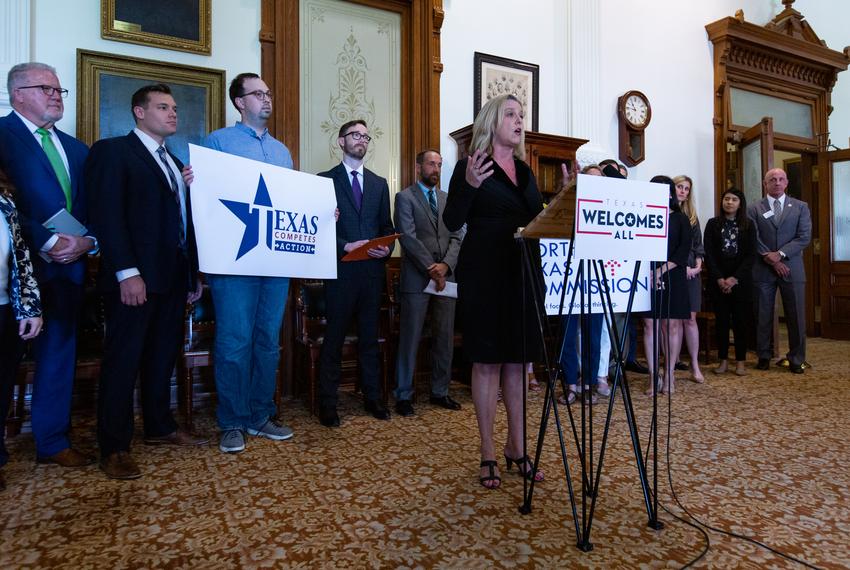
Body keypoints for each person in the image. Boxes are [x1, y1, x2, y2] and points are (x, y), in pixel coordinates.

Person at [85, 83, 206, 480]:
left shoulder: (174, 161)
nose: (173, 113)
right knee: (124, 360)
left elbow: (183, 225)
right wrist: (126, 271)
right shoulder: (113, 151)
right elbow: (107, 214)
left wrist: (193, 274)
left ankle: (160, 426)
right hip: (134, 278)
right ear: (139, 112)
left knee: (161, 356)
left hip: (173, 278)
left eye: (174, 107)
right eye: (162, 107)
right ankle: (115, 447)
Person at [443, 94, 547, 489]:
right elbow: (453, 220)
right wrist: (468, 187)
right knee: (487, 362)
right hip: (485, 272)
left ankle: (516, 447)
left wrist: (566, 200)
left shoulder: (525, 170)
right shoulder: (471, 165)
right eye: (511, 114)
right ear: (492, 121)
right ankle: (488, 450)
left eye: (522, 115)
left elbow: (535, 218)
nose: (519, 120)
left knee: (520, 363)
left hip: (522, 272)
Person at [0, 62, 95, 468]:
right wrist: (47, 238)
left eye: (59, 90)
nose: (56, 95)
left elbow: (95, 207)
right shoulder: (1, 135)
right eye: (46, 88)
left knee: (59, 355)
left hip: (67, 271)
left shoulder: (77, 149)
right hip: (13, 272)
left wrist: (87, 241)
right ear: (17, 93)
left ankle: (52, 443)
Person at [197, 73, 296, 453]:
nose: (267, 99)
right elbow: (207, 198)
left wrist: (320, 214)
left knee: (267, 342)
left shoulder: (282, 152)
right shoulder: (219, 142)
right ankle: (232, 421)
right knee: (235, 341)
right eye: (258, 94)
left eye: (268, 93)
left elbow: (290, 202)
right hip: (234, 260)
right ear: (239, 102)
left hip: (275, 260)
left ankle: (260, 414)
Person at [317, 120, 395, 427]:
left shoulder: (378, 183)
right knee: (333, 339)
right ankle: (328, 404)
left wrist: (386, 249)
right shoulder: (324, 180)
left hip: (372, 275)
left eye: (365, 135)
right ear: (341, 141)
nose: (361, 139)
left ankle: (373, 399)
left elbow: (386, 229)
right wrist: (345, 245)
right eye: (355, 135)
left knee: (368, 340)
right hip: (340, 272)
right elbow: (320, 227)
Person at [393, 149, 464, 417]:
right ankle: (403, 395)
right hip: (417, 277)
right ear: (418, 167)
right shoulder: (405, 198)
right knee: (410, 338)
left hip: (447, 276)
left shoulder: (448, 199)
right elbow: (408, 237)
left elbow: (458, 235)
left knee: (444, 337)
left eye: (439, 165)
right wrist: (432, 269)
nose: (435, 169)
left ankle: (440, 391)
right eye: (431, 164)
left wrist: (446, 266)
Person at [0, 169, 43, 491]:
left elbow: (21, 258)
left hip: (5, 306)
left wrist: (29, 308)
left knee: (2, 383)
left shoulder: (6, 202)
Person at [747, 168, 811, 374]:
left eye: (781, 179)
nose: (777, 182)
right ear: (765, 184)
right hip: (763, 268)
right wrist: (772, 260)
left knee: (796, 315)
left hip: (792, 267)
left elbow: (804, 237)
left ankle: (796, 358)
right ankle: (764, 355)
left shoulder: (801, 207)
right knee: (762, 314)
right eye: (772, 179)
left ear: (787, 183)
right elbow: (752, 237)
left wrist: (781, 254)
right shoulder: (754, 208)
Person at [641, 176, 691, 396]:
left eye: (665, 190)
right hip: (646, 275)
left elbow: (683, 251)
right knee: (650, 325)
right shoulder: (642, 215)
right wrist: (650, 272)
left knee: (670, 326)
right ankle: (653, 375)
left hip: (673, 274)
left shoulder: (681, 219)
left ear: (671, 193)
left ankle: (669, 373)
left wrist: (660, 271)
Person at [704, 188, 755, 376]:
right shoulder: (713, 224)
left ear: (740, 203)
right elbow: (708, 253)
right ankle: (723, 360)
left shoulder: (749, 225)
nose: (730, 202)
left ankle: (740, 361)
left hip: (741, 281)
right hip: (718, 281)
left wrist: (734, 279)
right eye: (727, 199)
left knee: (741, 322)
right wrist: (719, 278)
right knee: (722, 322)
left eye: (734, 199)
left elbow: (751, 255)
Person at [672, 175, 705, 383]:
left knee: (690, 319)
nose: (683, 191)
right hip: (673, 268)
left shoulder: (692, 216)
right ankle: (671, 365)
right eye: (679, 187)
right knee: (672, 321)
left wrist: (698, 266)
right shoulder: (666, 213)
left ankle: (694, 365)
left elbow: (699, 247)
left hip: (692, 271)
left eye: (686, 188)